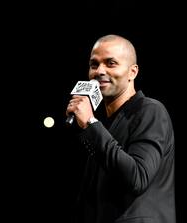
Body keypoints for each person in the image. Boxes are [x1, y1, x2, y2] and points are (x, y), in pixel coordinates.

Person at [66, 34, 176, 223]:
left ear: (132, 72)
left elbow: (138, 178)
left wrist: (91, 124)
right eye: (94, 64)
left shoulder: (150, 110)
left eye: (111, 63)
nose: (99, 71)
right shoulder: (103, 126)